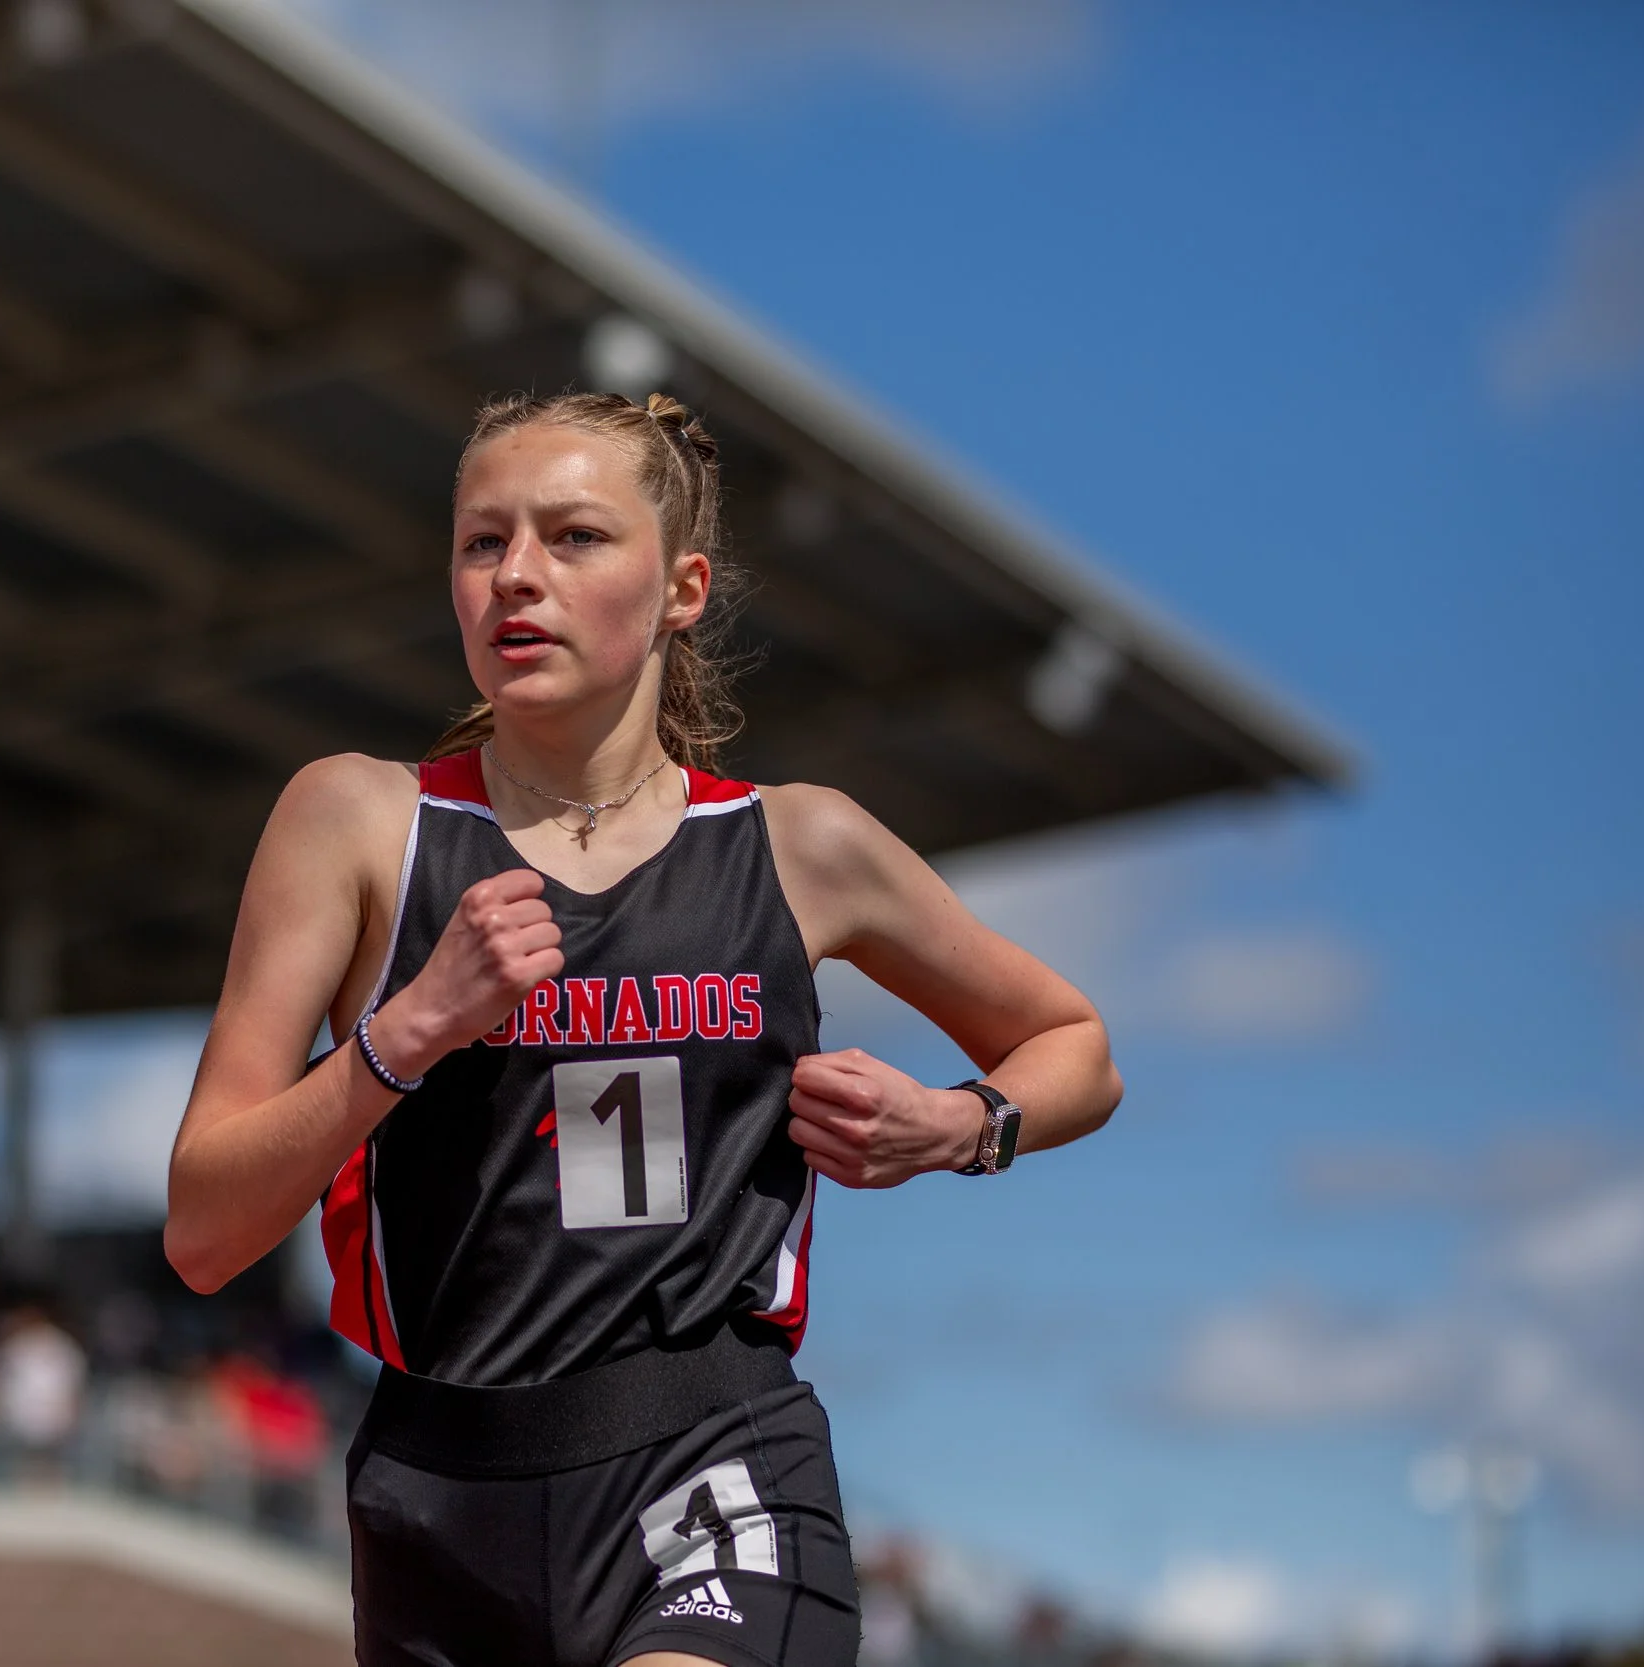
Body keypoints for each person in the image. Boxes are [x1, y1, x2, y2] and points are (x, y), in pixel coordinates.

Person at [167, 390, 1123, 1667]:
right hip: (436, 1495)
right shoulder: (355, 823)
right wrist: (409, 1029)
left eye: (572, 538)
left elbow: (1078, 1045)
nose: (516, 576)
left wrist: (958, 1123)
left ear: (681, 587)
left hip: (713, 1463)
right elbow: (203, 1232)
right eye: (479, 541)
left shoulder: (800, 844)